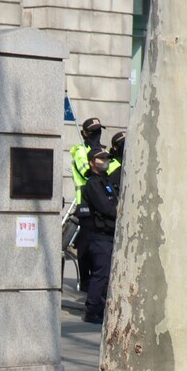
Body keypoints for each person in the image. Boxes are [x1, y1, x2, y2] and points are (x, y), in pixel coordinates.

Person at [79, 147, 119, 325]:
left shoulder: (105, 181)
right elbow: (106, 208)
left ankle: (101, 306)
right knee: (101, 274)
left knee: (106, 273)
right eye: (101, 158)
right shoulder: (93, 183)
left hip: (109, 234)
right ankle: (92, 309)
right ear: (92, 162)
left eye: (106, 158)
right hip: (99, 235)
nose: (105, 161)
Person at [70, 117, 104, 292]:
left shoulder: (101, 152)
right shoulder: (80, 151)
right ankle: (85, 281)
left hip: (101, 204)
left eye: (99, 131)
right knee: (85, 246)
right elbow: (87, 172)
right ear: (86, 134)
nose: (98, 135)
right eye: (94, 132)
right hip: (85, 204)